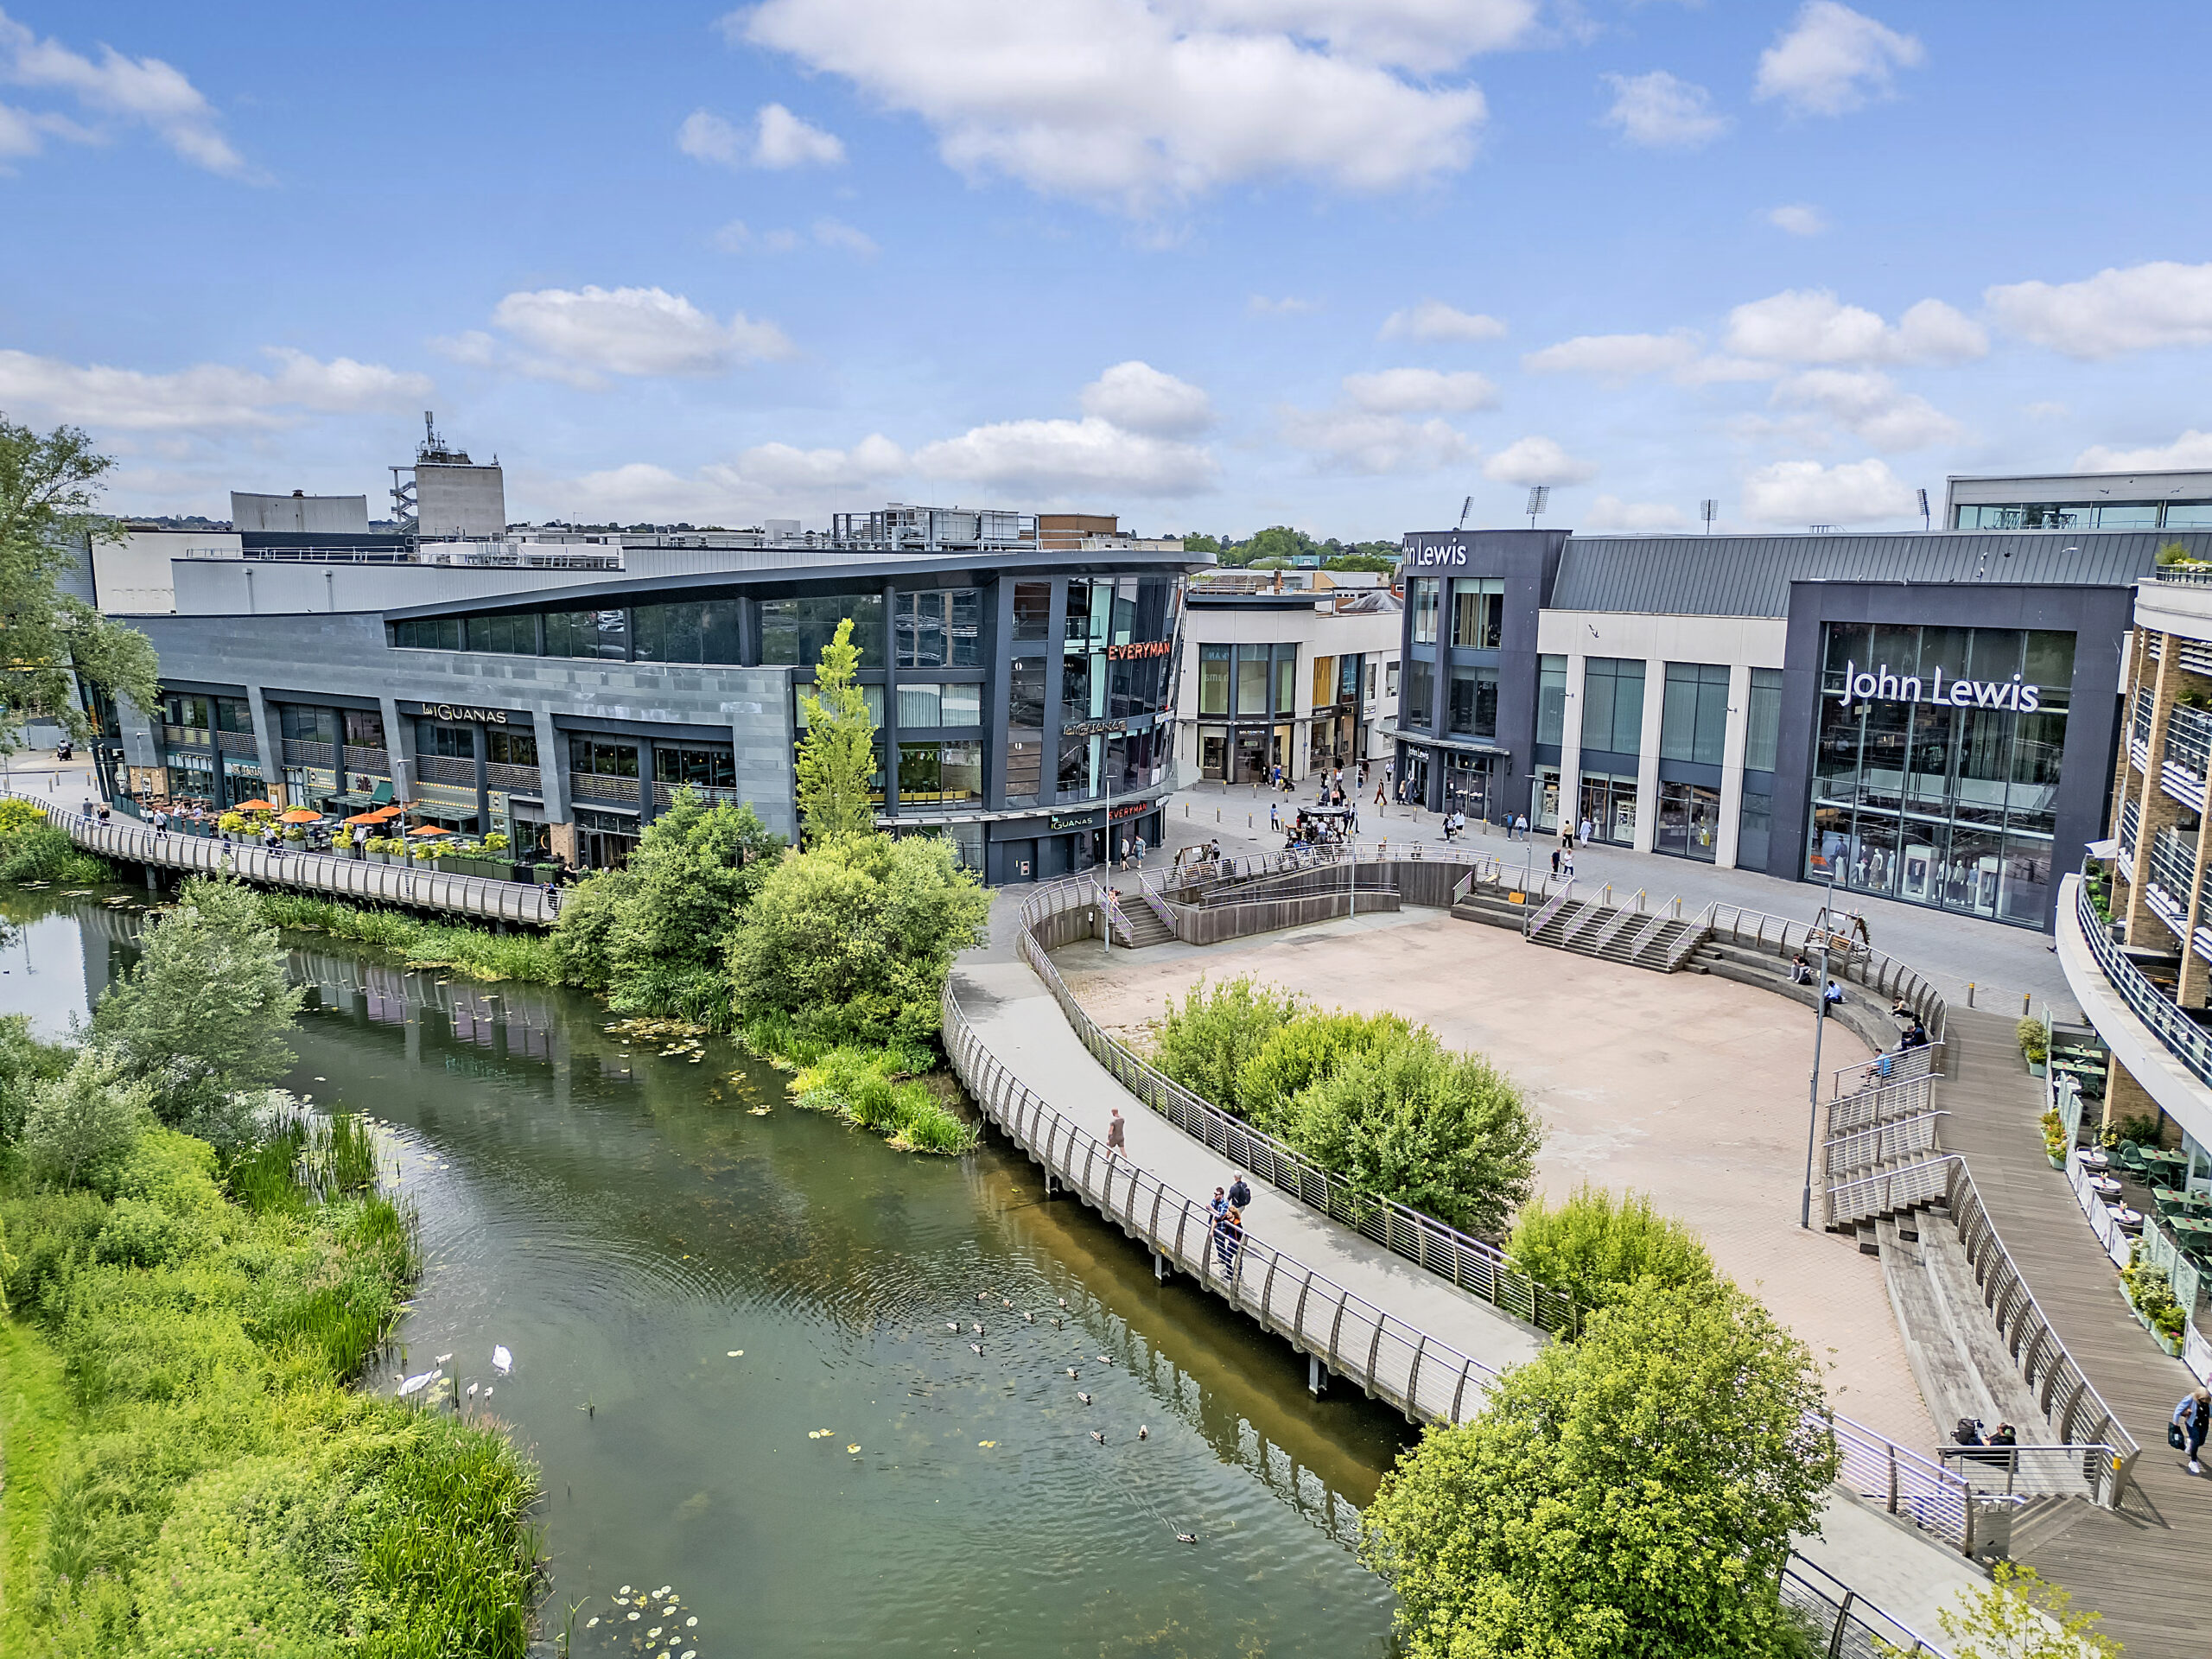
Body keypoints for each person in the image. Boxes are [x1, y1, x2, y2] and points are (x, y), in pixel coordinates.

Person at [2174, 1387, 2210, 1473]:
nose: (2204, 1400)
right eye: (2202, 1398)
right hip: (2193, 1424)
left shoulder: (2208, 1402)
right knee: (2196, 1441)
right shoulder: (2191, 1398)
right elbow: (2178, 1409)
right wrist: (2175, 1422)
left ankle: (2190, 1443)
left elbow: (2210, 1412)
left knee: (2201, 1442)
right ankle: (2193, 1462)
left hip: (2204, 1424)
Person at [1215, 1205, 1243, 1274]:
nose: (1227, 1214)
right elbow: (1217, 1219)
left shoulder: (1237, 1224)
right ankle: (1229, 1274)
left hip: (1236, 1244)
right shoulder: (1227, 1218)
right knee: (1227, 1258)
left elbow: (1240, 1235)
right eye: (1227, 1212)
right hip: (1230, 1243)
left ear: (1233, 1215)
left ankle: (1238, 1275)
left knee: (1238, 1261)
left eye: (1229, 1213)